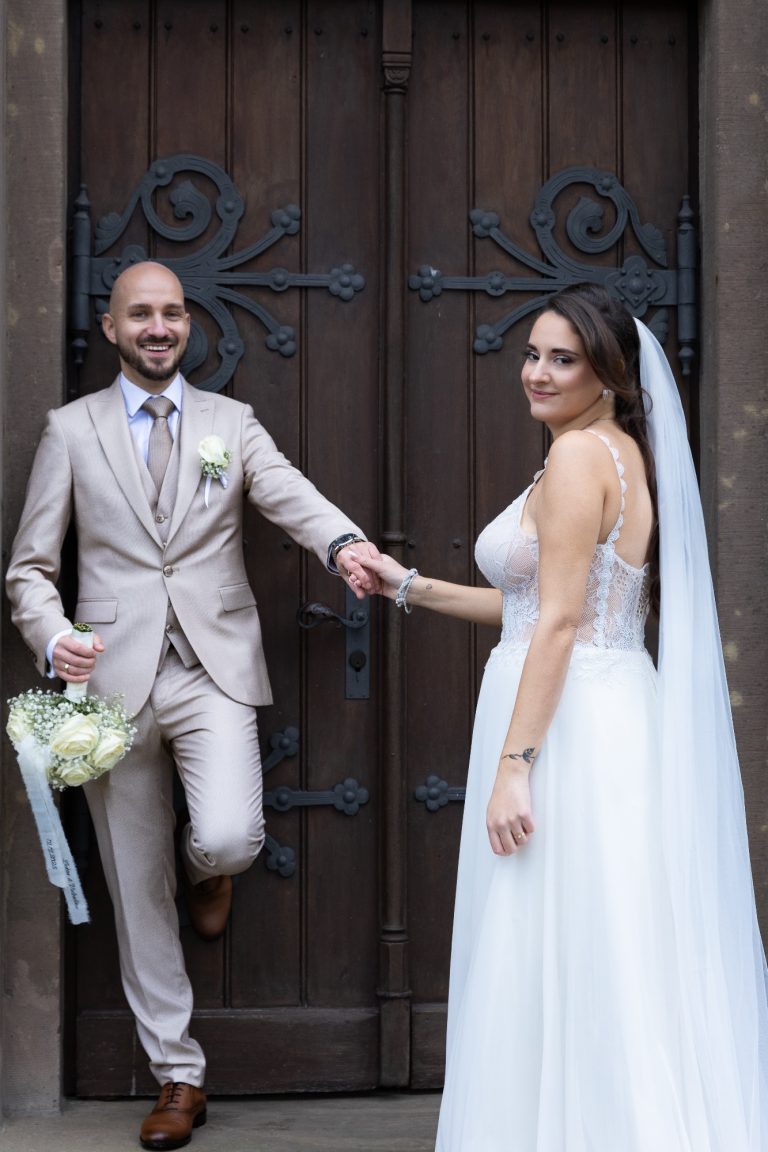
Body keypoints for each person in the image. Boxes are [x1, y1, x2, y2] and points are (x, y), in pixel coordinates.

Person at [358, 284, 768, 1150]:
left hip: (569, 729)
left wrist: (517, 764)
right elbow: (529, 604)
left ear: (609, 372)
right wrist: (408, 586)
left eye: (563, 358)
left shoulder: (582, 458)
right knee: (602, 939)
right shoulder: (613, 451)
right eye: (532, 354)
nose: (537, 373)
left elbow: (557, 622)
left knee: (561, 938)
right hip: (602, 709)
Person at [5, 261, 379, 1152]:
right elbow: (29, 569)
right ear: (111, 328)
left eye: (172, 311)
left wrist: (343, 543)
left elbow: (287, 492)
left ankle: (209, 873)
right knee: (137, 893)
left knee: (227, 835)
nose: (160, 326)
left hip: (211, 669)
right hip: (110, 687)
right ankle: (179, 1074)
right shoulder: (70, 431)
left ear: (187, 323)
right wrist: (55, 638)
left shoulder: (231, 424)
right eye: (142, 314)